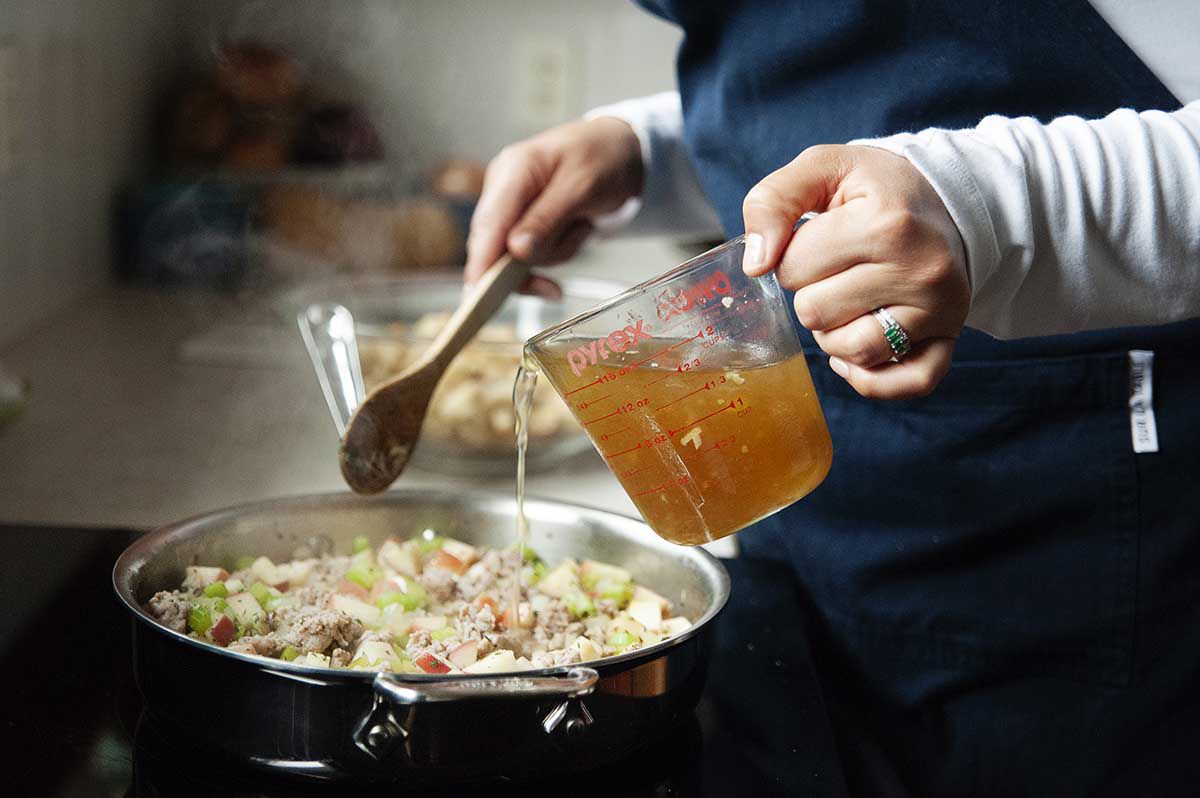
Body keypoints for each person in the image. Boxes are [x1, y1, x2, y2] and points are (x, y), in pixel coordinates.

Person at [466, 2, 1200, 795]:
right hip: (798, 533)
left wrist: (989, 209)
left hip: (1074, 530)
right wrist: (651, 150)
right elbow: (833, 70)